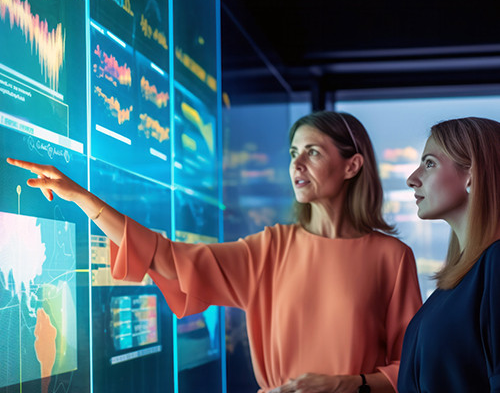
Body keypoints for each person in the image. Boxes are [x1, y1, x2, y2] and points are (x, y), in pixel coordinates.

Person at [8, 111, 422, 393]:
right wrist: (83, 198)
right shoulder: (271, 249)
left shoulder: (392, 257)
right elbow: (165, 256)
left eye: (313, 152)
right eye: (294, 153)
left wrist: (348, 385)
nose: (297, 165)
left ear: (352, 166)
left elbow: (414, 369)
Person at [399, 117, 500, 392]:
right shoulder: (458, 281)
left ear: (471, 175)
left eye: (429, 163)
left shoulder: (495, 263)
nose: (412, 179)